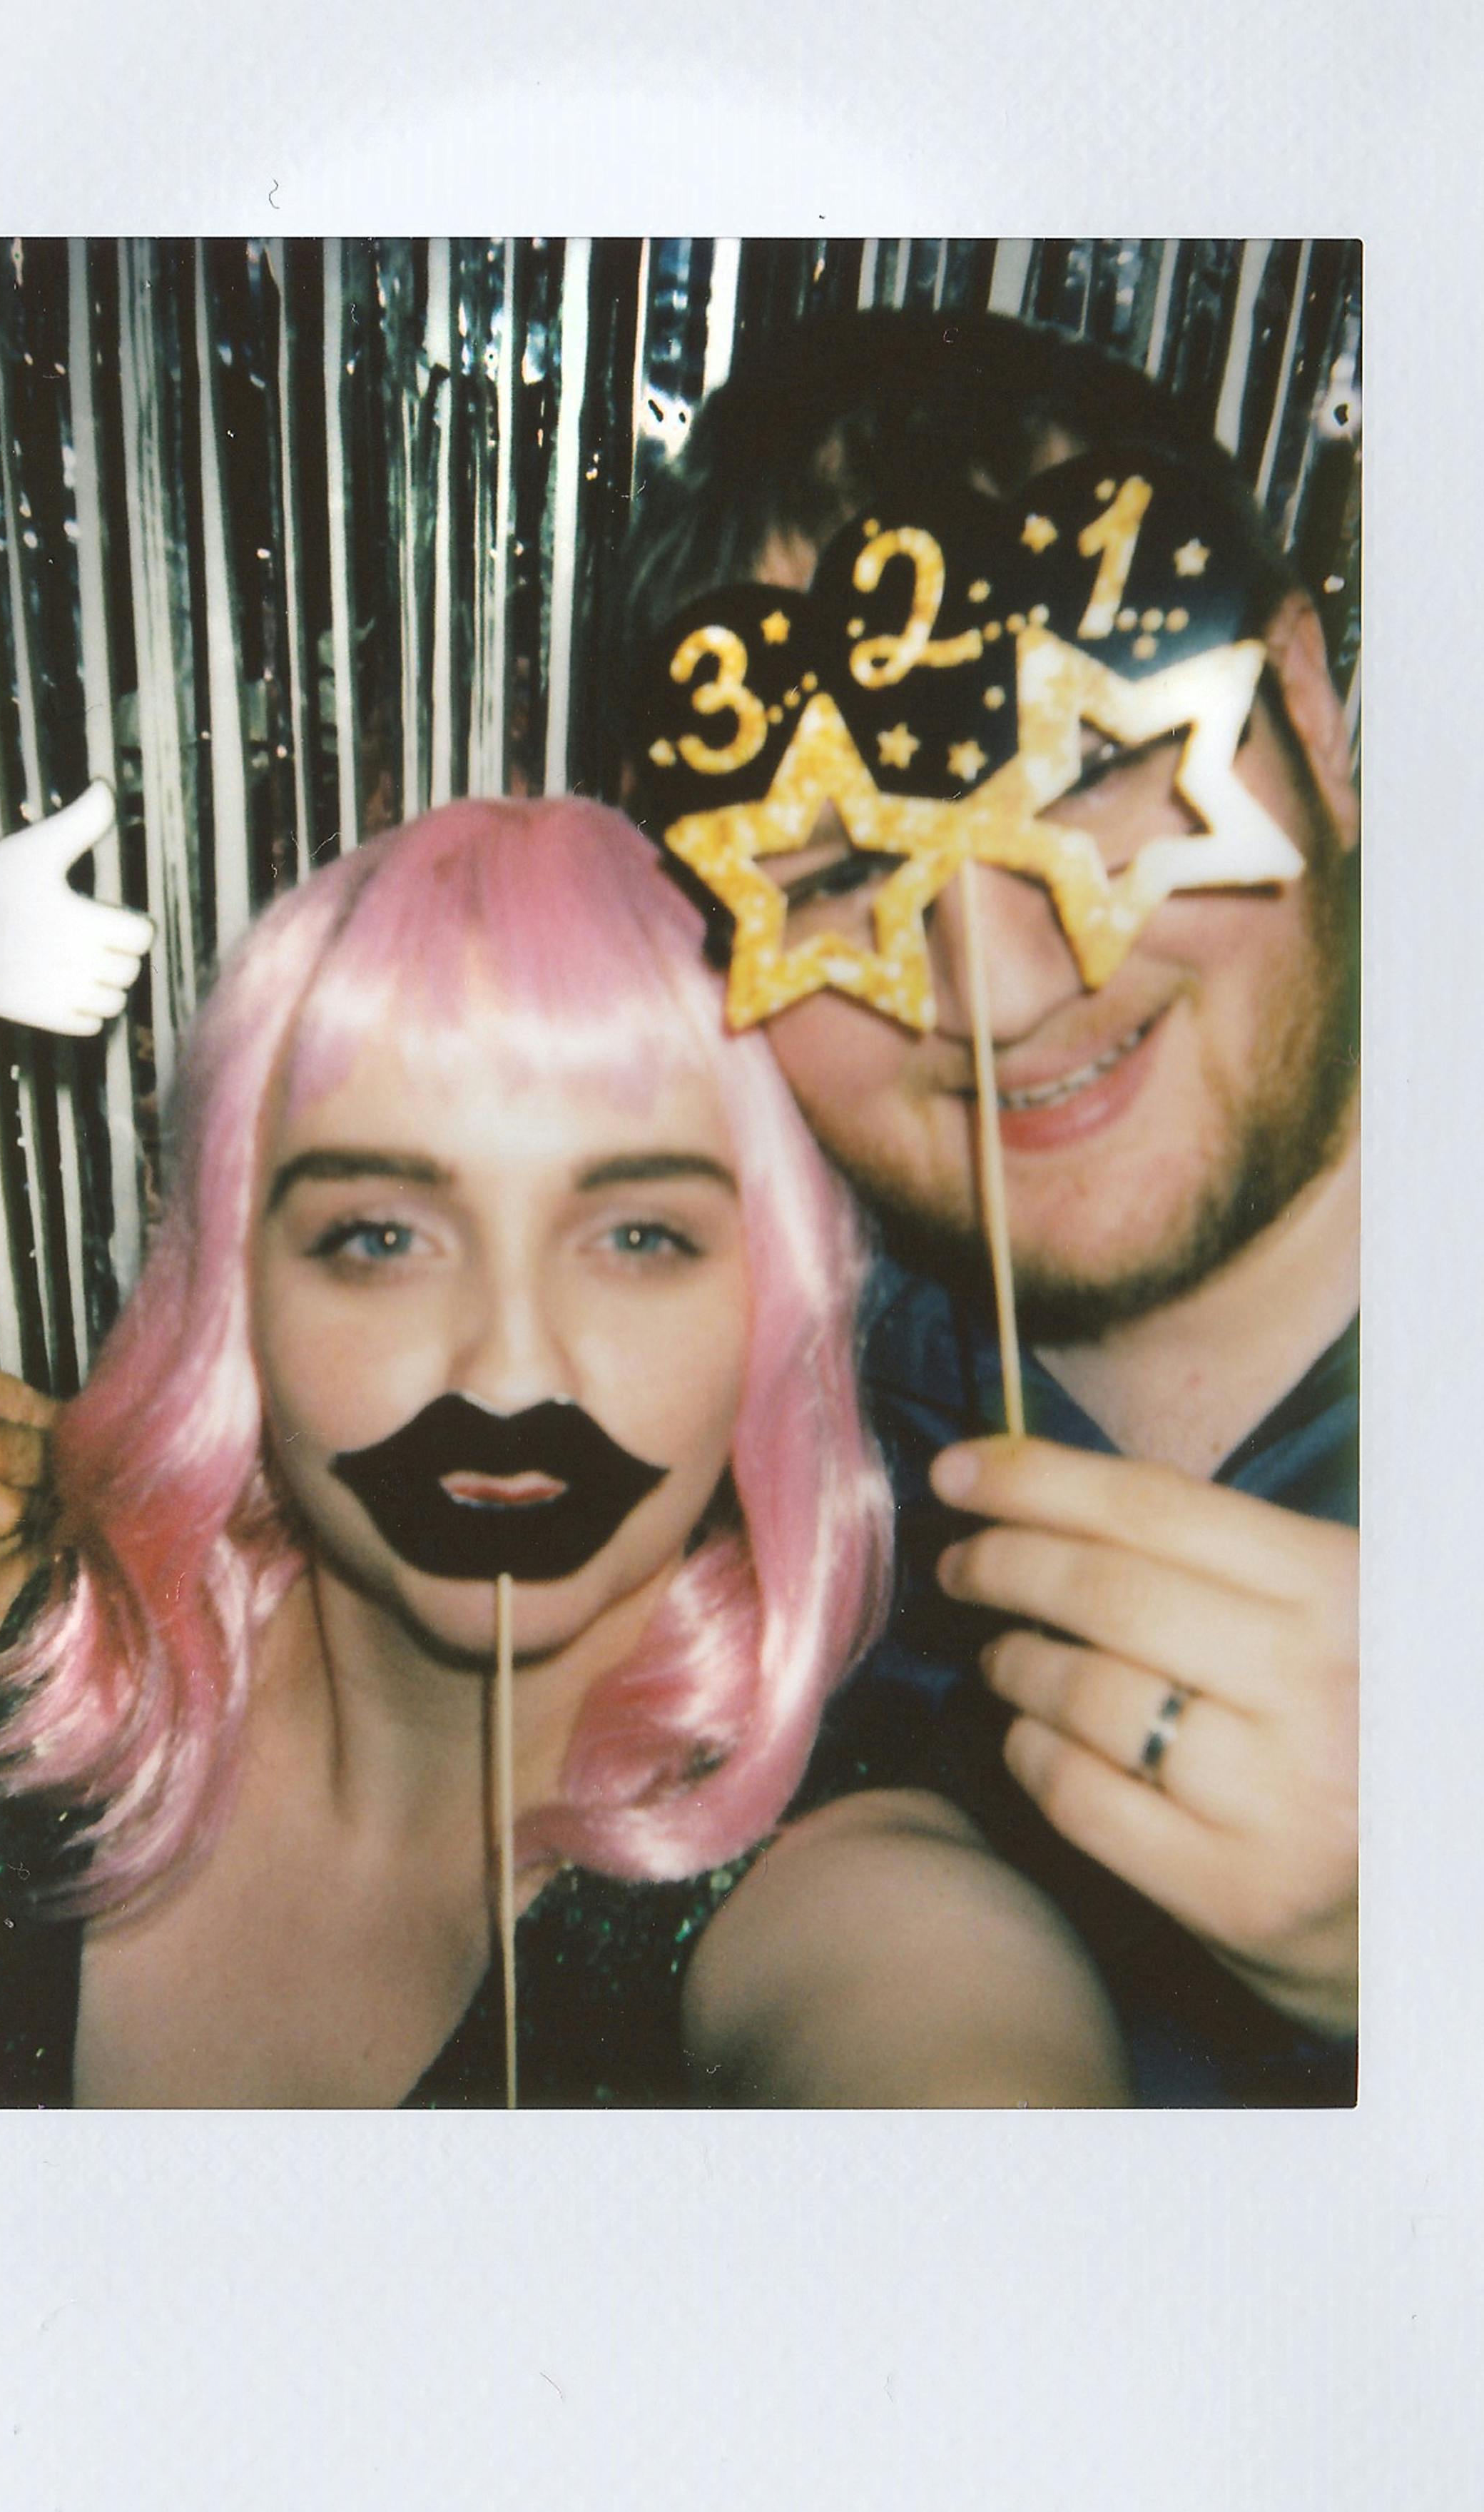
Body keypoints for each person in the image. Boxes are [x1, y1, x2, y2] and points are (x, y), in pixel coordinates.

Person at [0, 796, 1129, 2108]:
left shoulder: (852, 1917)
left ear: (777, 1306)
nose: (513, 1371)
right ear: (236, 1296)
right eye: (382, 1236)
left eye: (640, 1236)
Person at [614, 308, 1359, 2106]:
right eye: (849, 866)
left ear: (1313, 718)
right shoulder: (775, 1396)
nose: (1004, 984)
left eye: (1090, 768)